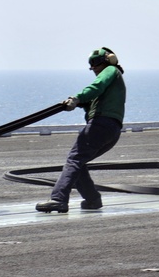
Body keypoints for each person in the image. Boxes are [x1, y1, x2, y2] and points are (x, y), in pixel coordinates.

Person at [36, 47, 126, 213]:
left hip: (101, 125)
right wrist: (77, 102)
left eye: (96, 62)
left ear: (108, 60)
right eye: (91, 64)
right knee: (79, 161)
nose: (94, 67)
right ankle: (92, 199)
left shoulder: (111, 71)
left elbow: (96, 87)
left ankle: (58, 199)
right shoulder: (112, 83)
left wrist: (77, 98)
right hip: (112, 131)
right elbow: (93, 97)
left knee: (74, 159)